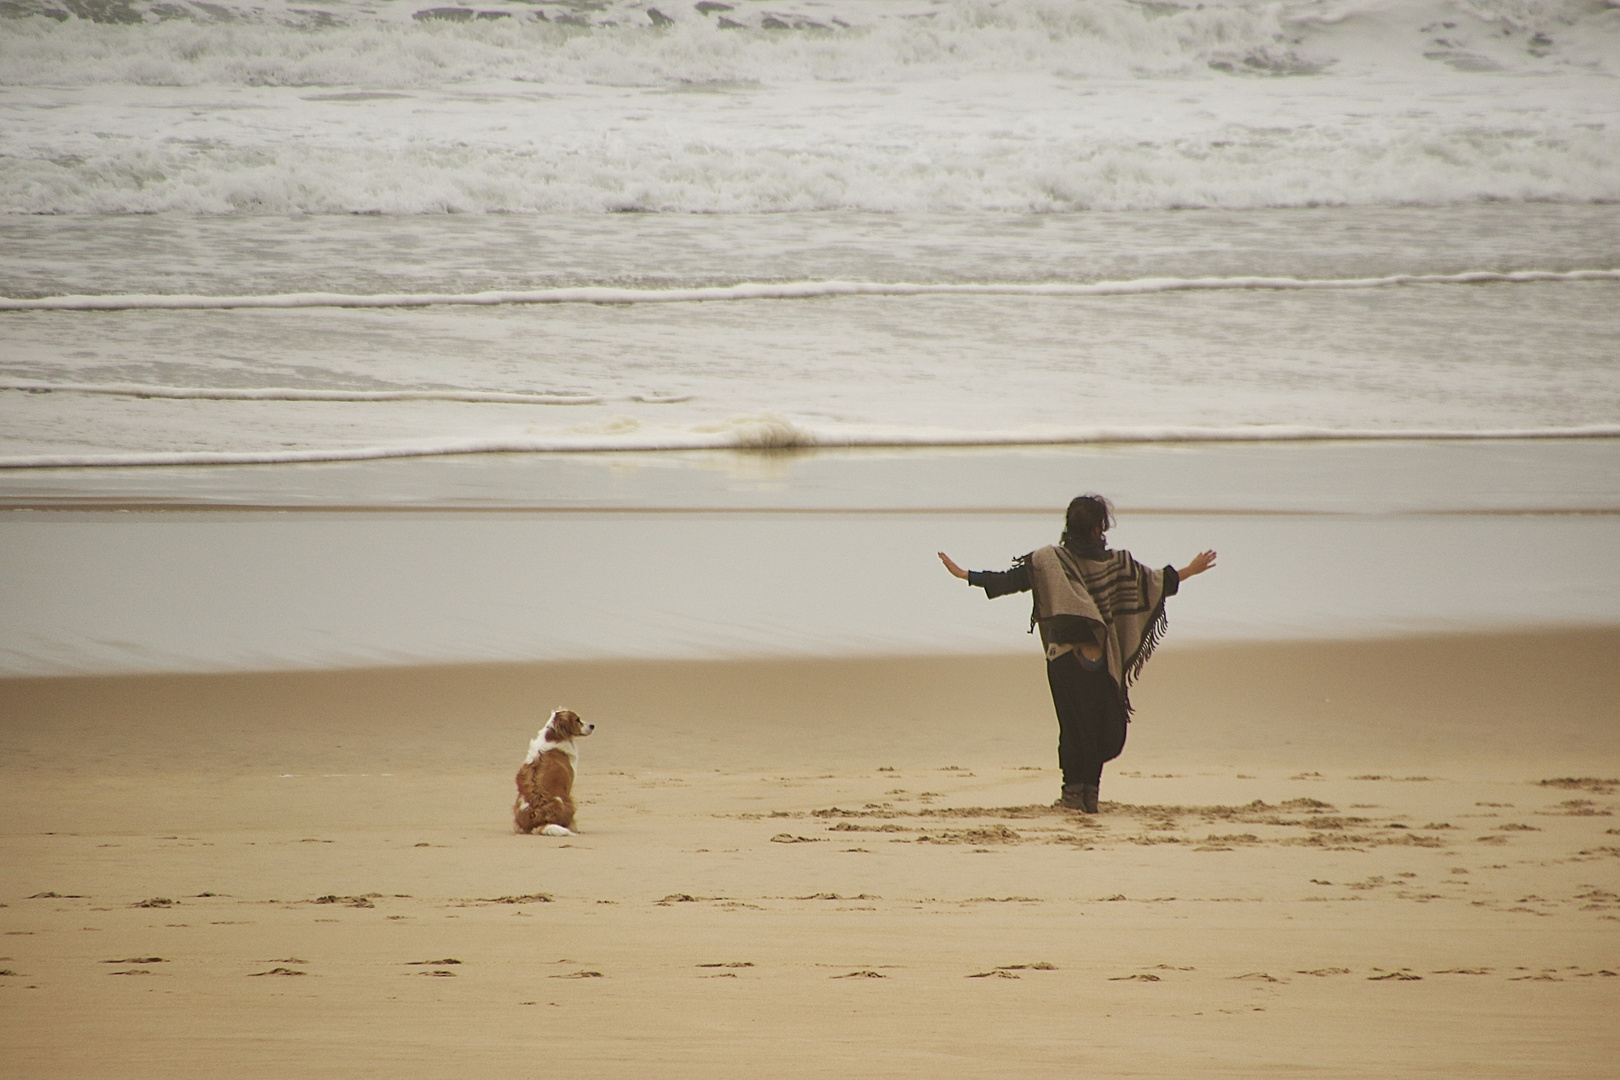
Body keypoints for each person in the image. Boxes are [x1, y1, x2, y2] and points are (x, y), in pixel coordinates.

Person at [938, 494, 1216, 813]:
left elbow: (1010, 581)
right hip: (1101, 660)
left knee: (1072, 727)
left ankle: (1072, 795)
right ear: (1100, 528)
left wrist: (966, 575)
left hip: (1065, 660)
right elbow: (1155, 583)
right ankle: (1090, 795)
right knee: (1097, 727)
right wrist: (1191, 570)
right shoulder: (1118, 564)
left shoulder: (1049, 560)